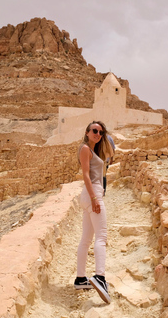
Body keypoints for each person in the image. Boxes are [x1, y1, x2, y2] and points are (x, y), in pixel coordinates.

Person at [74, 121, 114, 304]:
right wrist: (94, 198)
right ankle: (100, 277)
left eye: (101, 132)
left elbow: (109, 153)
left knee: (86, 239)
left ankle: (81, 279)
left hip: (90, 195)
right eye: (95, 131)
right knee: (101, 237)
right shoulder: (85, 149)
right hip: (92, 193)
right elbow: (85, 175)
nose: (98, 134)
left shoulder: (95, 151)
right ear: (87, 132)